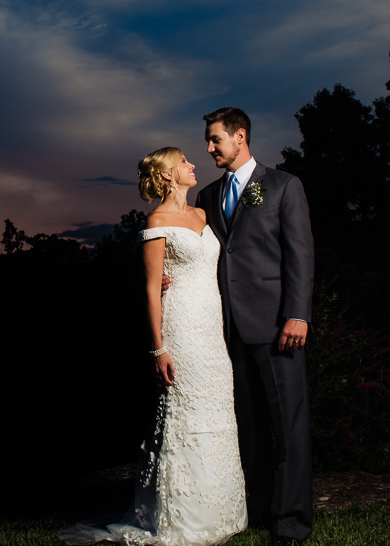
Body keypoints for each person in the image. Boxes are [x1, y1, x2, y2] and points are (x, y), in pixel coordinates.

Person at [60, 147, 246, 546]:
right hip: (180, 327)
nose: (193, 165)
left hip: (212, 328)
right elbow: (150, 286)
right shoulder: (157, 220)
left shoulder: (203, 214)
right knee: (185, 413)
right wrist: (158, 348)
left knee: (216, 409)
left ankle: (221, 510)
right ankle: (182, 517)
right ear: (166, 176)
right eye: (183, 163)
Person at [195, 107, 314, 546]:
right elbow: (205, 255)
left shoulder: (283, 186)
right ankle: (259, 511)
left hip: (278, 325)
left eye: (215, 140)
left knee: (290, 429)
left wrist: (297, 314)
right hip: (227, 331)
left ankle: (292, 523)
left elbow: (300, 254)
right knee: (248, 428)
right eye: (208, 141)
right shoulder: (206, 196)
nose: (208, 148)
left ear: (239, 136)